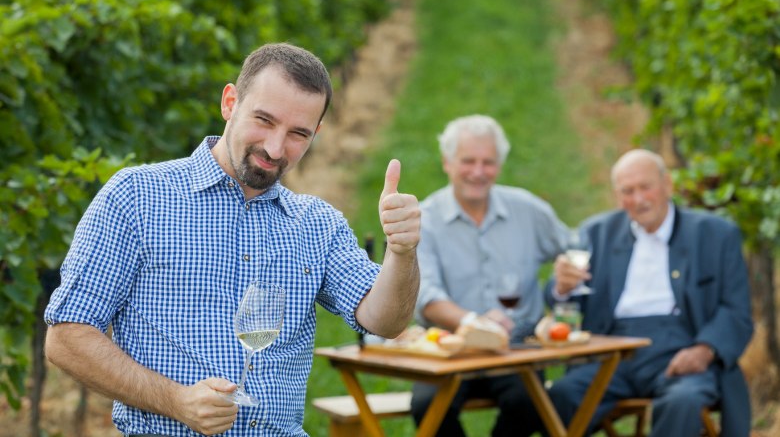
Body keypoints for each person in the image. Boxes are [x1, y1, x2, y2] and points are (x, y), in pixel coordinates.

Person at [43, 43, 421, 437]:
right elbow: (67, 336)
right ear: (229, 102)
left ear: (317, 133)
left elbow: (385, 321)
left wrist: (402, 252)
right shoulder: (137, 197)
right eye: (264, 120)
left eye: (298, 134)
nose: (275, 149)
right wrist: (177, 401)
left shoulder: (318, 223)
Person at [548, 149, 753, 437]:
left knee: (682, 400)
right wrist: (561, 287)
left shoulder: (715, 235)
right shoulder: (596, 233)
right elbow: (565, 298)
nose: (639, 199)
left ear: (667, 184)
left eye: (646, 187)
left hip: (682, 348)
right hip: (612, 354)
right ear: (617, 196)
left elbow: (736, 309)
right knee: (559, 396)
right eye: (627, 191)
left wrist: (705, 350)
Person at [410, 114, 568, 436]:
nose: (478, 172)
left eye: (488, 162)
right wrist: (475, 324)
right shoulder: (424, 220)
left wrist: (566, 276)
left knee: (530, 402)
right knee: (427, 407)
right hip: (451, 350)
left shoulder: (528, 210)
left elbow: (574, 248)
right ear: (447, 163)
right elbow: (426, 297)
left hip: (515, 352)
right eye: (468, 161)